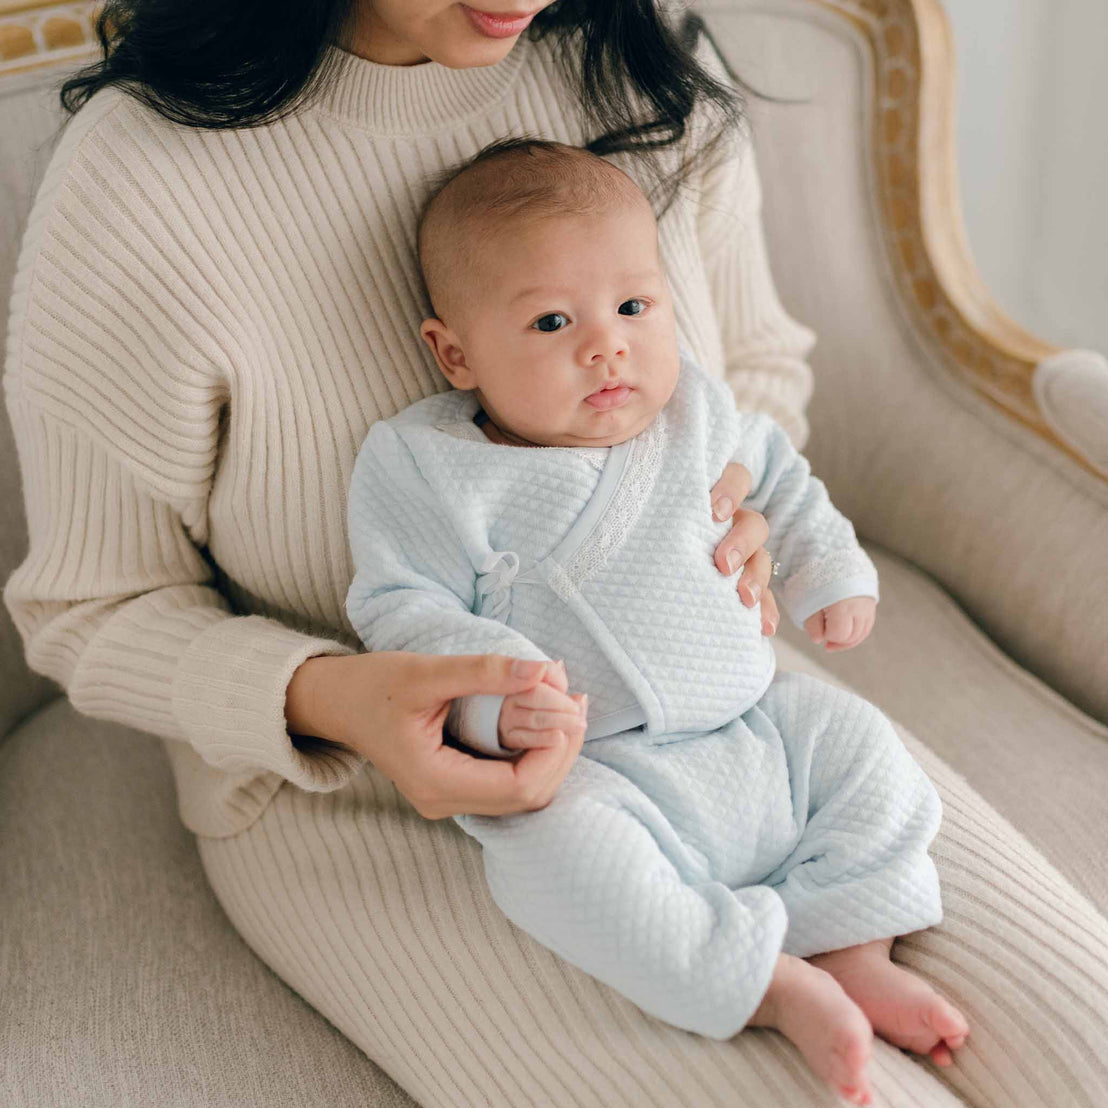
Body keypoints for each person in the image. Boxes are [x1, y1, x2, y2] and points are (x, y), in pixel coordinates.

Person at [4, 2, 1105, 1106]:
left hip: (732, 711)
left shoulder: (635, 65)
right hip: (385, 790)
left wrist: (738, 505)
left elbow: (752, 377)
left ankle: (842, 944)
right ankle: (759, 974)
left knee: (1082, 1049)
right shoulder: (144, 181)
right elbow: (91, 606)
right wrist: (343, 697)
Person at [344, 138, 968, 1105]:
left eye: (634, 307)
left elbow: (781, 478)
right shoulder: (426, 465)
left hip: (756, 728)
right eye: (553, 322)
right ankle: (761, 982)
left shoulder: (696, 413)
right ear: (454, 351)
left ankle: (852, 941)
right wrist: (495, 700)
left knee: (862, 748)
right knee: (555, 867)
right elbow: (403, 605)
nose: (608, 346)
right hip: (593, 769)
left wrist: (827, 568)